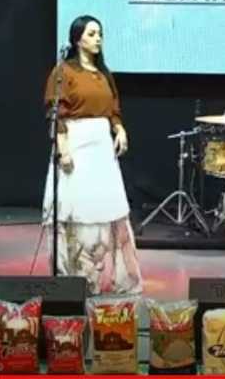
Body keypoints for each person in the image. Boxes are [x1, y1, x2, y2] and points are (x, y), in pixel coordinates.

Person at [43, 15, 142, 295]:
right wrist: (63, 149)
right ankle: (75, 281)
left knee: (103, 209)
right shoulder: (64, 72)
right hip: (77, 143)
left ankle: (102, 278)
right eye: (91, 33)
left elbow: (113, 109)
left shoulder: (103, 73)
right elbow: (56, 113)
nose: (97, 38)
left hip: (101, 149)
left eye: (99, 33)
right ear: (77, 39)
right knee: (79, 211)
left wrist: (119, 129)